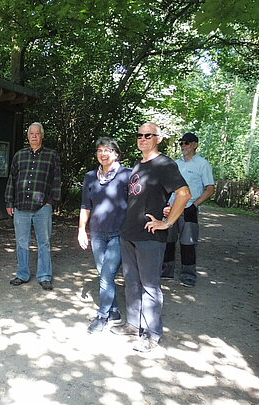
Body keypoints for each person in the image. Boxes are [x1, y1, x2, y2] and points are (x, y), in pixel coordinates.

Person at [110, 122, 190, 353]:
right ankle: (133, 324)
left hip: (150, 235)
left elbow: (184, 194)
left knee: (150, 286)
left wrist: (168, 222)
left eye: (148, 135)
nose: (143, 139)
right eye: (140, 135)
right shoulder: (138, 164)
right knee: (131, 282)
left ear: (158, 138)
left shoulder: (164, 164)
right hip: (129, 232)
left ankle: (152, 333)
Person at [77, 137, 132, 333]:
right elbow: (86, 205)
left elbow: (138, 202)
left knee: (107, 275)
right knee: (104, 274)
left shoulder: (128, 175)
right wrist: (81, 229)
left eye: (107, 150)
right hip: (97, 233)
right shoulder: (91, 176)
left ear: (116, 153)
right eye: (99, 150)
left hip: (119, 233)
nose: (103, 153)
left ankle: (102, 316)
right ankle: (114, 311)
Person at [4, 122, 61, 290]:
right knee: (22, 242)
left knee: (44, 242)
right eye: (31, 133)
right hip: (21, 206)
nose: (34, 136)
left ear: (42, 136)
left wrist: (51, 201)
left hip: (43, 206)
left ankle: (44, 276)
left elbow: (56, 179)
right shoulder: (19, 155)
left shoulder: (51, 155)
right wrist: (9, 201)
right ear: (28, 136)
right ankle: (22, 273)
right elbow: (12, 179)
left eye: (37, 133)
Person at [161, 132, 215, 287]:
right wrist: (165, 204)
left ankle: (188, 276)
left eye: (186, 143)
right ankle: (166, 271)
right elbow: (167, 186)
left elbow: (210, 189)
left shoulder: (203, 164)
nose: (183, 146)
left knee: (188, 243)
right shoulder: (175, 164)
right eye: (181, 143)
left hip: (189, 209)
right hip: (171, 208)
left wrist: (194, 205)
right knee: (168, 241)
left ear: (195, 145)